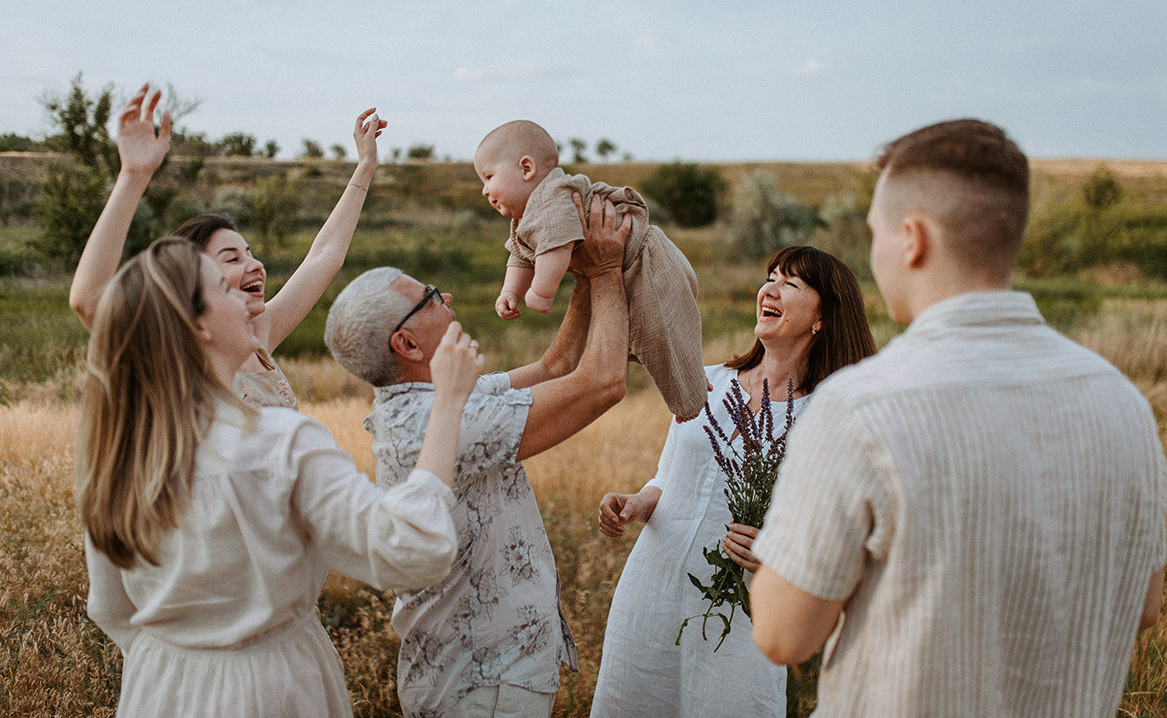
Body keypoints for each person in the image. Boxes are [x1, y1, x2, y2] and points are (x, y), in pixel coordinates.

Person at [749, 119, 1166, 717]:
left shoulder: (862, 405)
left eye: (875, 234)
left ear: (912, 240)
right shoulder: (1124, 404)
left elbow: (782, 636)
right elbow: (1146, 605)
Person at [79, 237, 482, 717]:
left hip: (157, 687)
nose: (247, 304)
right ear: (198, 326)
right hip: (271, 688)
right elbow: (413, 547)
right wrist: (449, 401)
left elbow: (111, 610)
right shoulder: (281, 442)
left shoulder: (119, 455)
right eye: (224, 292)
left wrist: (185, 658)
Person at [324, 194, 631, 718]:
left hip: (487, 674)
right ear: (408, 344)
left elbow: (556, 366)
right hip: (482, 681)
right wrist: (605, 272)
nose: (447, 298)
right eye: (429, 301)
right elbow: (602, 383)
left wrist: (579, 271)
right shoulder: (438, 423)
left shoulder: (441, 398)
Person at [590, 246, 876, 718]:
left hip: (740, 609)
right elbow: (670, 475)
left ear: (822, 318)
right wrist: (638, 502)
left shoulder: (828, 416)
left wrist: (777, 553)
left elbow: (836, 529)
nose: (770, 288)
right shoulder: (704, 382)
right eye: (770, 277)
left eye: (791, 283)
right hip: (653, 590)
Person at [69, 84, 387, 408]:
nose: (255, 265)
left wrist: (365, 167)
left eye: (250, 253)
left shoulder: (257, 334)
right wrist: (133, 176)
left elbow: (324, 256)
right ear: (195, 279)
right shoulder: (180, 352)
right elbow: (88, 301)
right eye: (232, 258)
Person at [473, 119, 707, 419]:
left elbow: (556, 248)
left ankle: (693, 409)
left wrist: (542, 293)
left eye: (489, 177)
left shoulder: (553, 197)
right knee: (649, 339)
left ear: (526, 169)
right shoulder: (525, 218)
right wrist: (510, 291)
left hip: (646, 262)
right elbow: (520, 257)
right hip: (626, 269)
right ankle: (693, 389)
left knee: (660, 339)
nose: (484, 190)